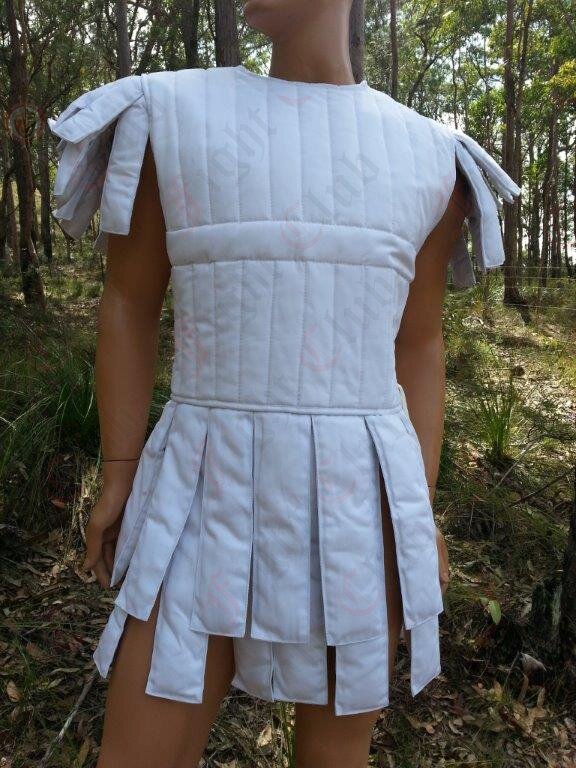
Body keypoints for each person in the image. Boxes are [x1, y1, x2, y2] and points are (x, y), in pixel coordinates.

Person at [48, 1, 521, 766]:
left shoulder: (430, 155)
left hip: (358, 503)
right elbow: (129, 302)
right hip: (197, 490)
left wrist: (415, 507)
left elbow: (418, 343)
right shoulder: (170, 115)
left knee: (334, 756)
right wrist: (119, 472)